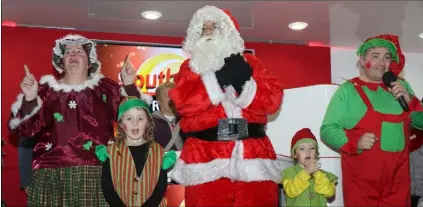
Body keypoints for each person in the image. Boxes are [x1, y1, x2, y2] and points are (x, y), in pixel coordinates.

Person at [8, 34, 151, 206]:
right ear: (61, 61)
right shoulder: (44, 92)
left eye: (79, 52)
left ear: (90, 62)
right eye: (68, 52)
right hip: (51, 175)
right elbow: (23, 130)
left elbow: (138, 121)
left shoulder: (106, 90)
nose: (73, 55)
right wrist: (30, 98)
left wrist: (128, 84)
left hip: (96, 173)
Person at [168, 5, 283, 206]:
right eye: (203, 29)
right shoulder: (190, 68)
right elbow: (182, 102)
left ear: (228, 31)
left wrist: (244, 83)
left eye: (214, 26)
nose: (208, 32)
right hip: (205, 161)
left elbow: (273, 100)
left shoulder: (252, 63)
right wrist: (218, 79)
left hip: (254, 158)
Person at [320, 34, 423, 206]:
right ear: (362, 60)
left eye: (387, 57)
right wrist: (355, 142)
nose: (382, 63)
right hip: (362, 189)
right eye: (375, 56)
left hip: (398, 188)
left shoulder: (401, 87)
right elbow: (328, 129)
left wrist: (411, 100)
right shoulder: (348, 91)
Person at [99, 97, 176, 207]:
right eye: (129, 119)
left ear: (148, 123)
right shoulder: (110, 152)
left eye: (140, 119)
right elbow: (107, 186)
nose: (135, 123)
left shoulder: (158, 151)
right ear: (120, 123)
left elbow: (160, 186)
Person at [282, 128, 337, 207]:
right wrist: (306, 172)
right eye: (302, 149)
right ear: (295, 155)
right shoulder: (289, 173)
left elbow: (329, 192)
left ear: (316, 153)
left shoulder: (323, 174)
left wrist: (317, 173)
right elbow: (291, 191)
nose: (308, 152)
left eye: (312, 148)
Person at [152, 82, 183, 151]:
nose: (172, 99)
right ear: (159, 102)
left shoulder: (186, 121)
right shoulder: (152, 123)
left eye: (174, 96)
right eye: (168, 96)